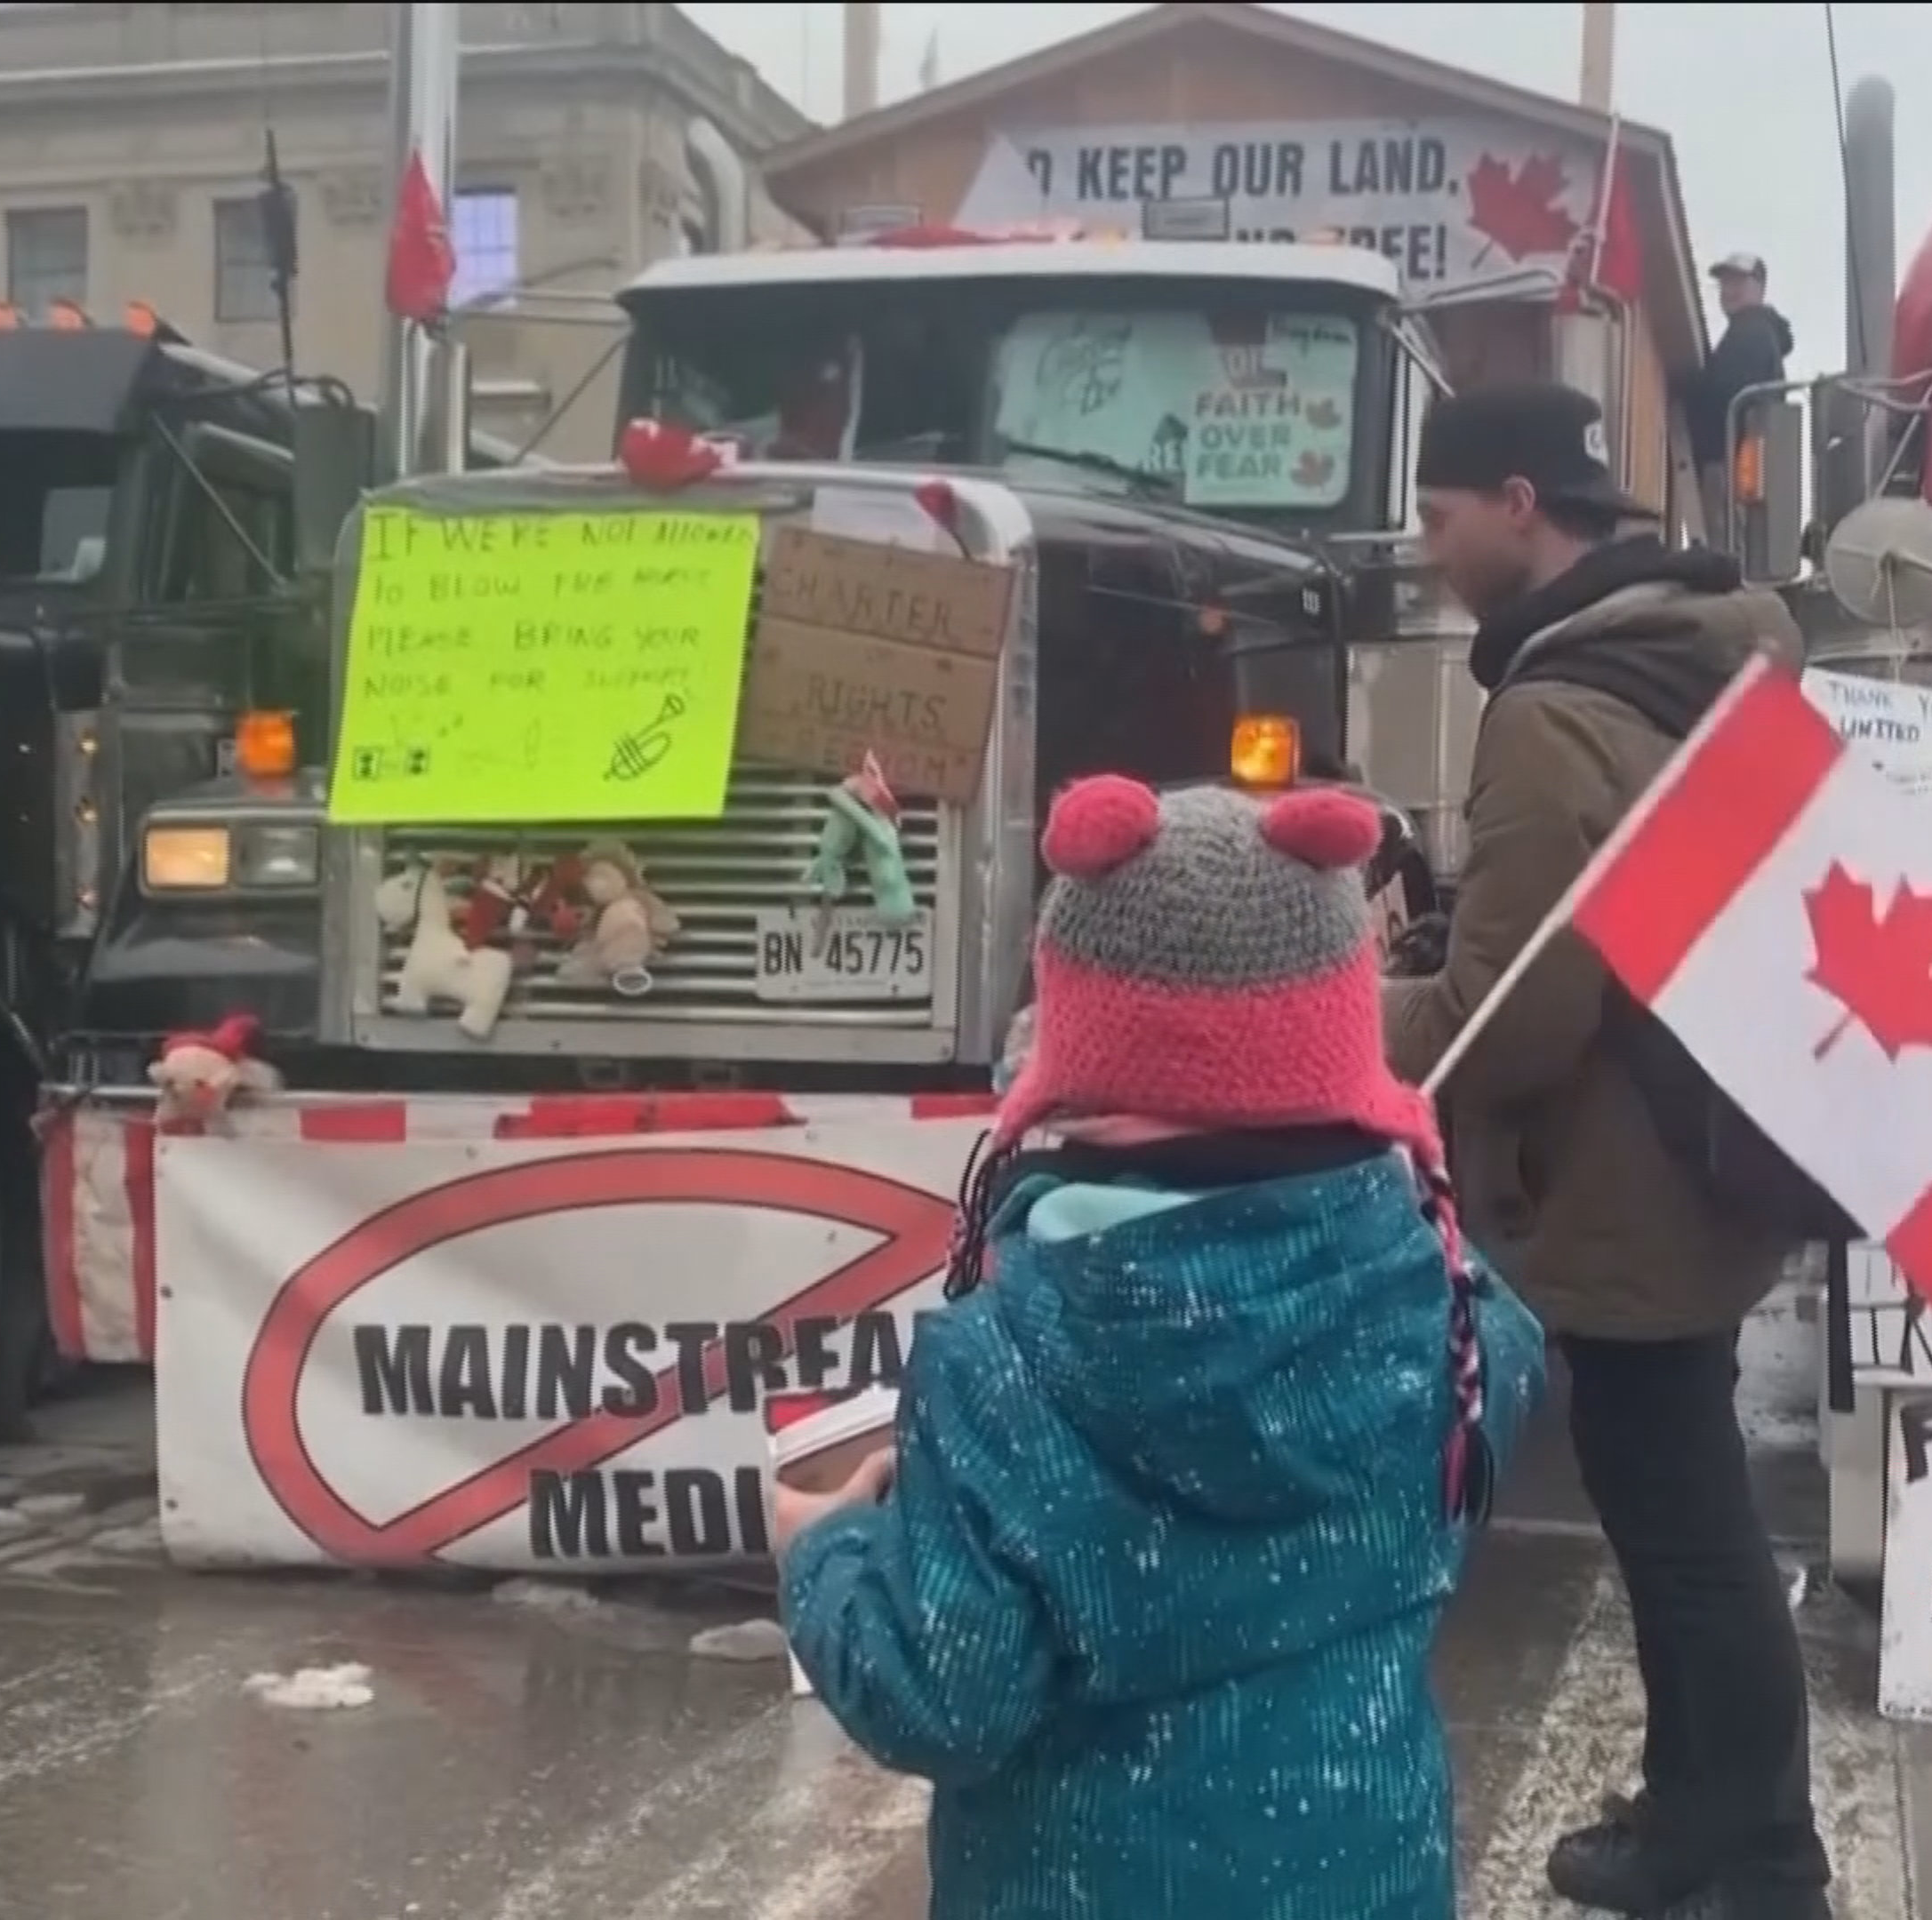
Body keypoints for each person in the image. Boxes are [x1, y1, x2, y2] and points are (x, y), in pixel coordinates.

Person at [771, 775, 1547, 1920]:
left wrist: (827, 1554)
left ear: (1082, 1058)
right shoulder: (1448, 1303)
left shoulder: (1004, 1364)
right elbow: (1503, 1391)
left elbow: (942, 1700)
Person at [1383, 382, 1829, 1919]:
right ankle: (1727, 1831)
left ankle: (1750, 1850)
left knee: (1686, 1533)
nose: (1432, 554)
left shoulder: (1550, 704)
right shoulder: (1714, 651)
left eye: (1441, 519)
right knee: (1688, 1515)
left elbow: (1511, 1015)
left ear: (1519, 502)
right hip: (1725, 1136)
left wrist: (1342, 1005)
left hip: (1626, 1173)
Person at [1682, 253, 1795, 476]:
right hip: (1742, 464)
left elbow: (1725, 390)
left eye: (1738, 282)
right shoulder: (1757, 332)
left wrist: (1685, 388)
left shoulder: (1751, 331)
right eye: (1724, 283)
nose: (1728, 290)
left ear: (1760, 288)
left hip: (1729, 464)